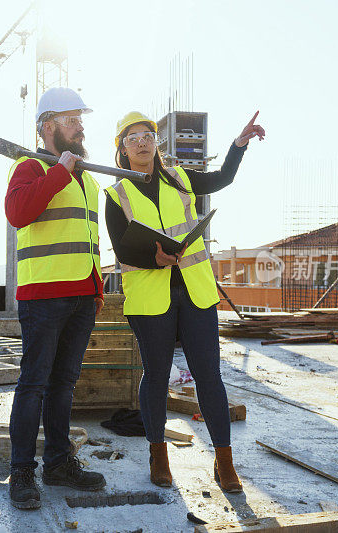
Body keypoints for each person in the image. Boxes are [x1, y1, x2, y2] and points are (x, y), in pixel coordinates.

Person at [104, 110, 265, 492]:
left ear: (155, 142)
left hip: (195, 290)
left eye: (147, 135)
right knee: (156, 376)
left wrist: (238, 145)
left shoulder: (179, 178)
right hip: (150, 297)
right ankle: (158, 453)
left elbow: (222, 178)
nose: (142, 142)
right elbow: (121, 250)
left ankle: (224, 460)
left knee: (209, 375)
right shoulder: (115, 194)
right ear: (122, 150)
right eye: (132, 138)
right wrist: (154, 259)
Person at [4, 87, 107, 510]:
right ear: (48, 127)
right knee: (34, 385)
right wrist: (58, 172)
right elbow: (18, 213)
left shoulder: (90, 180)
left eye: (80, 120)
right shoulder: (28, 166)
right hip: (44, 296)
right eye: (71, 120)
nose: (80, 127)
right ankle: (22, 471)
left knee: (64, 385)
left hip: (82, 295)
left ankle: (59, 463)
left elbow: (89, 240)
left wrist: (97, 287)